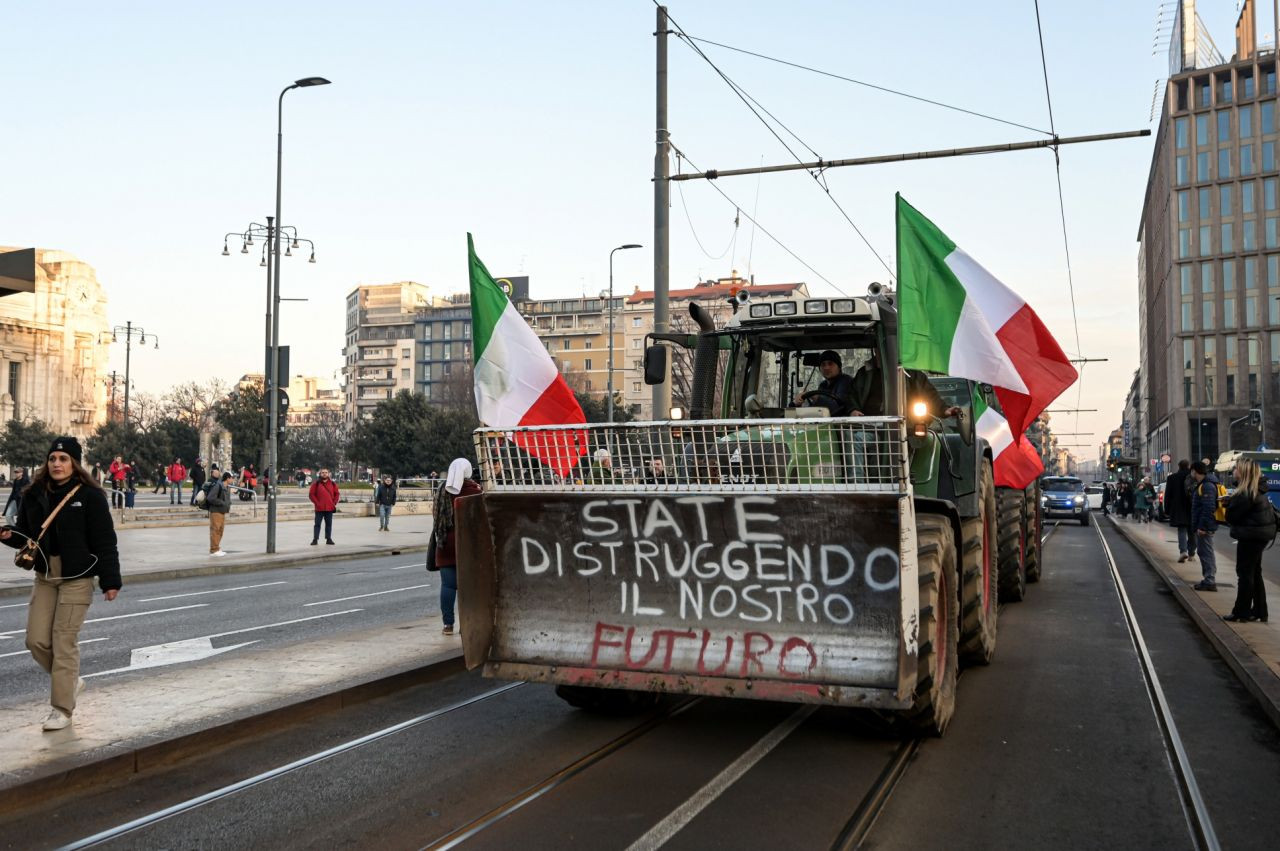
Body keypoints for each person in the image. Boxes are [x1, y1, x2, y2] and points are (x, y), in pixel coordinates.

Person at [0, 437, 120, 731]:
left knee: (64, 641)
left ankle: (61, 708)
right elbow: (28, 535)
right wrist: (8, 535)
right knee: (36, 640)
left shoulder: (90, 496)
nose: (57, 464)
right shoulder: (34, 494)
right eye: (52, 458)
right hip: (45, 576)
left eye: (63, 459)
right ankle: (70, 681)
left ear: (74, 463)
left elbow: (105, 541)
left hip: (77, 577)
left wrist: (110, 580)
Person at [431, 458, 482, 636]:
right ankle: (466, 624)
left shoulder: (441, 490)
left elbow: (436, 515)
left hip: (445, 542)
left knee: (447, 586)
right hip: (468, 544)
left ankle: (448, 625)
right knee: (468, 587)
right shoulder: (474, 490)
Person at [1224, 459, 1275, 623]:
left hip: (1250, 536)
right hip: (1259, 536)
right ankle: (1260, 611)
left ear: (1243, 472)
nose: (1233, 471)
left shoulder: (1245, 493)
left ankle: (1241, 612)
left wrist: (1228, 504)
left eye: (1235, 469)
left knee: (1245, 574)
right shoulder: (1256, 490)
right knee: (1255, 572)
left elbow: (1231, 517)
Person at [1189, 460, 1221, 592]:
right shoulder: (1204, 484)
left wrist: (1202, 527)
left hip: (1205, 527)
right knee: (1203, 552)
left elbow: (1208, 508)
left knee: (1206, 552)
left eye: (1191, 471)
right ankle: (1208, 579)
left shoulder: (1207, 486)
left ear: (1194, 471)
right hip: (1203, 525)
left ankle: (1209, 581)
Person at [794, 350, 857, 415]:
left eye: (830, 364)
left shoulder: (845, 381)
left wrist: (816, 397)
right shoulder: (823, 385)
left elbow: (840, 408)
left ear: (839, 367)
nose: (826, 368)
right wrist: (799, 403)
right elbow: (818, 409)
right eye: (823, 364)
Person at [1165, 460, 1193, 561]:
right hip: (1191, 507)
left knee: (1181, 530)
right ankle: (1191, 553)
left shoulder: (1172, 478)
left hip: (1178, 508)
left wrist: (1167, 509)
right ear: (1188, 466)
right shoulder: (1192, 477)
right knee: (1192, 531)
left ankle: (1183, 551)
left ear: (1179, 466)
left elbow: (1167, 495)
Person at [308, 468, 340, 545]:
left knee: (329, 524)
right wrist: (317, 503)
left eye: (326, 472)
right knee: (317, 524)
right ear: (320, 474)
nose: (324, 474)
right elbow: (311, 495)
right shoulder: (316, 484)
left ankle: (328, 539)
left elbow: (337, 494)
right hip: (319, 508)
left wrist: (334, 503)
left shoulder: (333, 484)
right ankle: (315, 539)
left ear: (328, 474)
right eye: (323, 472)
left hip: (329, 508)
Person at [205, 471, 232, 557]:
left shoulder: (226, 487)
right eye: (231, 478)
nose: (233, 480)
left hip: (222, 511)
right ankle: (213, 550)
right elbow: (210, 498)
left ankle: (217, 547)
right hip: (216, 511)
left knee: (220, 531)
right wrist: (222, 503)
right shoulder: (218, 485)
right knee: (215, 530)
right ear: (227, 478)